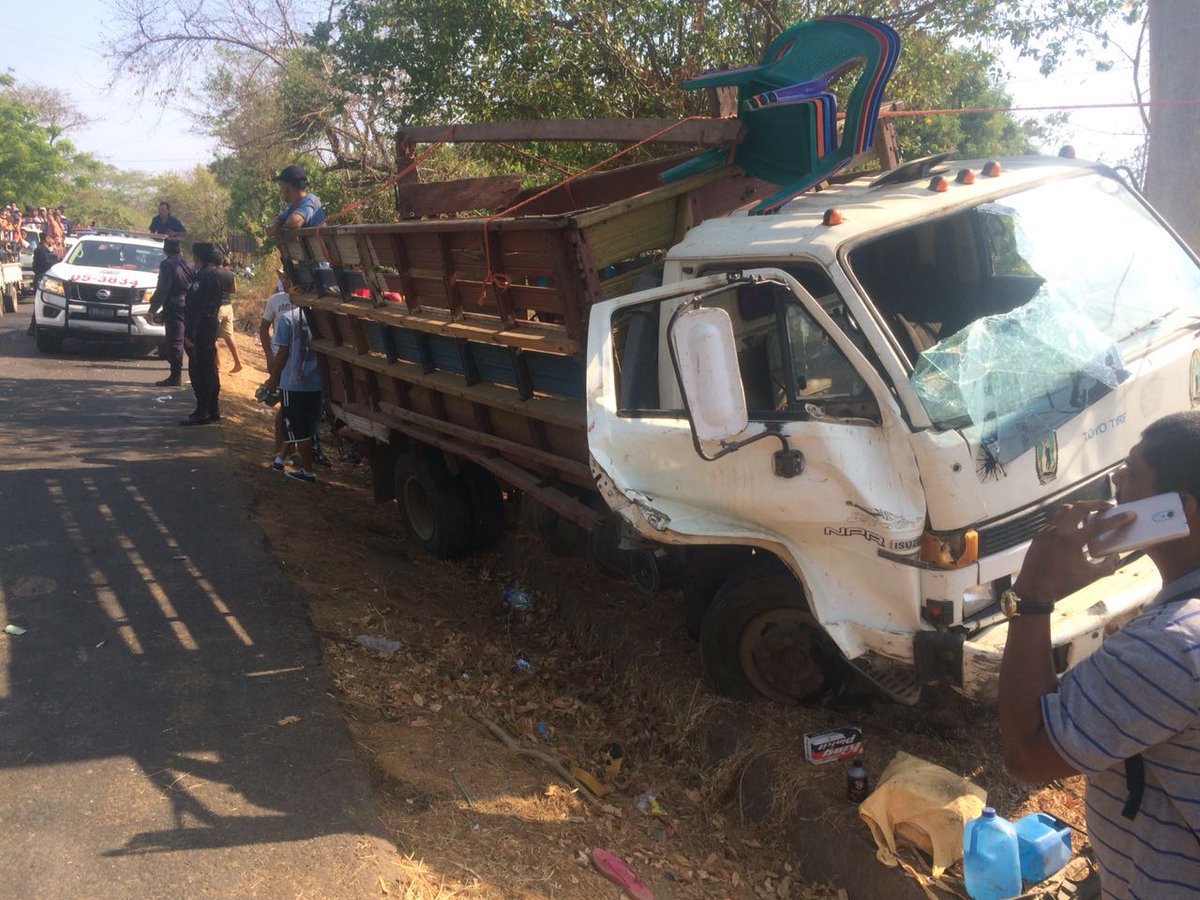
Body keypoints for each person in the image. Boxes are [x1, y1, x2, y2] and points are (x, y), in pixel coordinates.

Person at [999, 411, 1200, 895]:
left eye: (1132, 473)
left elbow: (1027, 753)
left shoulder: (1170, 646)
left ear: (1180, 509)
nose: (1115, 482)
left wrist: (1032, 594)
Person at [265, 303, 323, 483]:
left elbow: (282, 354)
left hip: (293, 383)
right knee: (302, 425)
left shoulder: (287, 318)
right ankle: (280, 459)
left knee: (297, 428)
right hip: (317, 383)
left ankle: (307, 472)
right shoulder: (324, 317)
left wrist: (273, 379)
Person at [180, 242, 223, 425]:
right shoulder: (211, 274)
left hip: (201, 330)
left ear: (197, 257)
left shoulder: (203, 277)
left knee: (200, 371)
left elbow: (197, 308)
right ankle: (211, 409)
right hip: (206, 328)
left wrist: (190, 334)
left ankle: (203, 410)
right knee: (209, 369)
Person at [147, 237, 194, 387]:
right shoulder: (188, 264)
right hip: (188, 306)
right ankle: (195, 374)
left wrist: (152, 309)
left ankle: (175, 376)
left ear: (165, 249)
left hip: (174, 307)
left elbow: (163, 289)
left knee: (175, 341)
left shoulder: (167, 264)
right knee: (187, 340)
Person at [266, 165, 325, 236]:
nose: (280, 190)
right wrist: (276, 223)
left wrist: (278, 227)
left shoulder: (310, 200)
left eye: (281, 185)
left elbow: (294, 222)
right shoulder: (294, 207)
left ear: (286, 186)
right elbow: (274, 222)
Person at [213, 251, 243, 373]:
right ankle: (238, 362)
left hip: (218, 307)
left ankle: (218, 365)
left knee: (213, 338)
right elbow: (234, 290)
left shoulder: (213, 274)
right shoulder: (231, 274)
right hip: (228, 307)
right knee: (229, 336)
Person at [27, 236, 61, 336]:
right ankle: (33, 328)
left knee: (39, 303)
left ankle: (33, 328)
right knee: (40, 303)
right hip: (41, 278)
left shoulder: (43, 249)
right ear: (46, 238)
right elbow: (45, 263)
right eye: (51, 238)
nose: (52, 240)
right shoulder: (41, 250)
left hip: (41, 278)